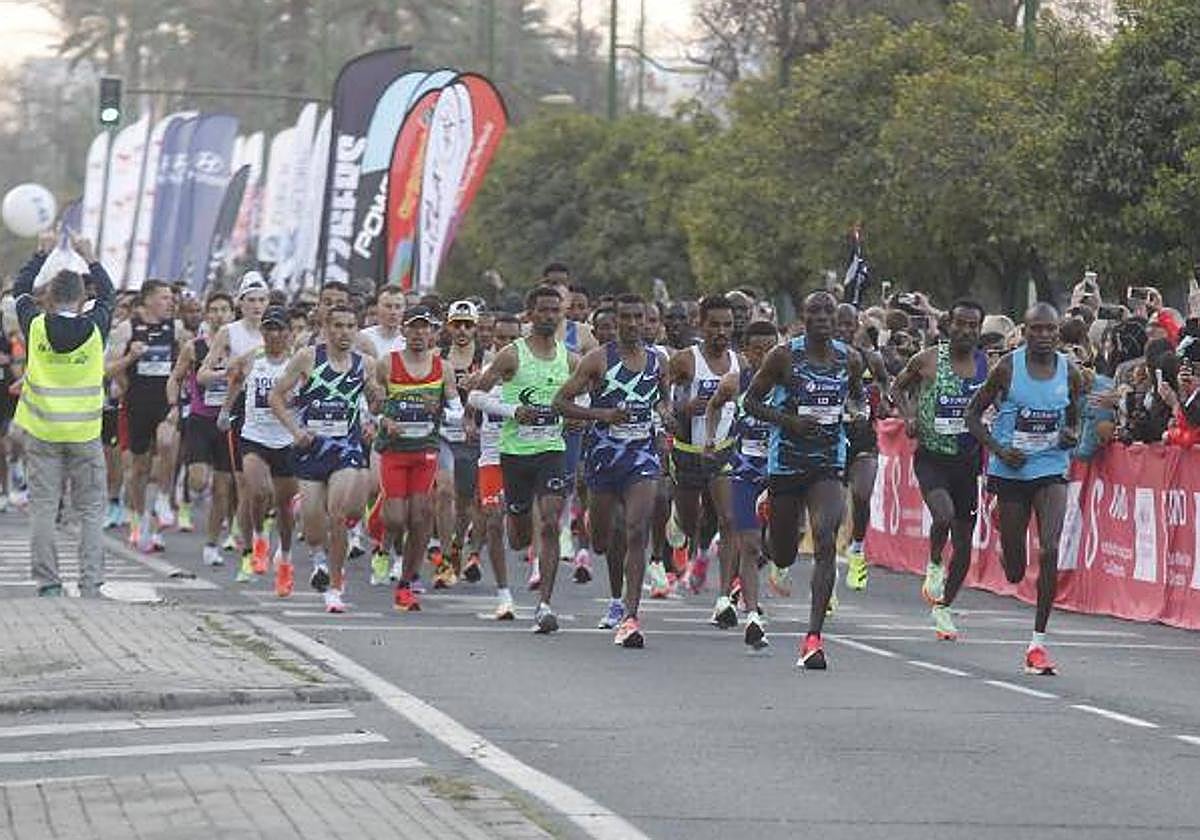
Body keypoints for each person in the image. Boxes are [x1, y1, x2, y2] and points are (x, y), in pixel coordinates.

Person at [744, 291, 864, 670]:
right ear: (803, 316)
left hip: (828, 463)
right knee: (783, 553)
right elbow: (751, 402)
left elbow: (858, 398)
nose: (824, 317)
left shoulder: (850, 358)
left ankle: (813, 638)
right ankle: (771, 524)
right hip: (787, 463)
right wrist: (790, 421)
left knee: (826, 537)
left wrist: (859, 412)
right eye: (816, 311)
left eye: (830, 311)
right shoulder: (784, 356)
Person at [966, 303, 1083, 675]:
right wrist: (1000, 450)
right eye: (1037, 329)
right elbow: (972, 415)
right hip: (1011, 471)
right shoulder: (1007, 368)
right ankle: (1005, 527)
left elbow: (1074, 421)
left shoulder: (1070, 371)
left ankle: (1038, 645)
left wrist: (1070, 436)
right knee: (1016, 571)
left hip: (1050, 469)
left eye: (1051, 329)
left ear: (1058, 334)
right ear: (1026, 332)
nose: (1045, 336)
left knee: (1049, 550)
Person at [554, 294, 673, 647]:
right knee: (606, 539)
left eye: (641, 317)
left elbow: (663, 398)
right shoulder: (597, 360)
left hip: (642, 457)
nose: (634, 324)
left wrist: (665, 412)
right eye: (627, 317)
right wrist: (601, 416)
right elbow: (560, 402)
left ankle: (630, 616)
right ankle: (616, 596)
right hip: (604, 459)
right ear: (616, 321)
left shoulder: (657, 361)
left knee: (636, 529)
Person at [470, 285, 576, 634]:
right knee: (517, 536)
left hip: (551, 451)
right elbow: (475, 396)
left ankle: (544, 605)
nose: (549, 316)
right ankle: (518, 528)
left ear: (562, 315)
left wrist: (577, 413)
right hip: (514, 454)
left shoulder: (569, 357)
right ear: (530, 315)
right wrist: (513, 410)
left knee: (548, 521)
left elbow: (584, 392)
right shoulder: (512, 355)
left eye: (555, 311)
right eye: (543, 310)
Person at [13, 232, 114, 597]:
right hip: (85, 434)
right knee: (89, 510)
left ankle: (49, 583)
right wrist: (91, 257)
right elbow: (109, 294)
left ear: (50, 298)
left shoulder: (35, 325)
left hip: (42, 432)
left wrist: (41, 252)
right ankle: (90, 583)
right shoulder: (97, 326)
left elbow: (20, 289)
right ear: (83, 297)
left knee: (42, 508)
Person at [891, 300, 989, 640]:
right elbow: (897, 387)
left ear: (980, 329)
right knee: (943, 516)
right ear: (949, 325)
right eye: (959, 323)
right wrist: (909, 416)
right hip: (932, 457)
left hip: (968, 461)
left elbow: (997, 402)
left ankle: (945, 607)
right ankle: (933, 563)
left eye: (972, 325)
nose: (965, 331)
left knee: (964, 544)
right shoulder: (928, 359)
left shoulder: (986, 365)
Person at [270, 304, 374, 612]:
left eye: (350, 326)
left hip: (347, 449)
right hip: (312, 449)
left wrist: (377, 415)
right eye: (338, 326)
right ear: (326, 329)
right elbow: (275, 396)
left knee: (339, 514)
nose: (344, 333)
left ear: (356, 330)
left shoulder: (365, 363)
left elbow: (378, 398)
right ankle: (319, 555)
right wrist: (294, 429)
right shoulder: (308, 357)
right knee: (315, 529)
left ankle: (335, 588)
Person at [373, 305, 463, 612]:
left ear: (434, 333)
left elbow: (457, 412)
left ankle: (407, 582)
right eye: (413, 327)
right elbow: (370, 405)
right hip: (395, 452)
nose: (419, 333)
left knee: (421, 515)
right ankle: (384, 545)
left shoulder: (443, 368)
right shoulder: (387, 364)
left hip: (426, 449)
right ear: (404, 332)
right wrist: (384, 420)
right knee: (397, 518)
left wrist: (439, 410)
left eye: (425, 328)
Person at [705, 320, 779, 649]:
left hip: (781, 470)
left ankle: (745, 592)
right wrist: (710, 438)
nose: (763, 357)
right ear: (745, 352)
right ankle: (752, 616)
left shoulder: (789, 383)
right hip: (746, 469)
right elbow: (713, 407)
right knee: (748, 542)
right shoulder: (735, 381)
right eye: (756, 351)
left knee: (780, 544)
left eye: (770, 350)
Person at [218, 305, 299, 588]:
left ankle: (286, 559)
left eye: (279, 329)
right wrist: (226, 410)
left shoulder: (298, 362)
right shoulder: (252, 358)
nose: (273, 334)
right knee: (257, 492)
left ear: (290, 333)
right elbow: (236, 380)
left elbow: (311, 394)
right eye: (268, 328)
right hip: (254, 435)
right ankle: (255, 545)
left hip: (286, 440)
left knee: (285, 507)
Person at [669, 296, 739, 597]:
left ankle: (725, 594)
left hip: (724, 450)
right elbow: (659, 398)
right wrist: (684, 406)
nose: (721, 331)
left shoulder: (739, 362)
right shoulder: (686, 359)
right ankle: (697, 549)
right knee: (690, 521)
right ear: (701, 324)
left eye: (727, 325)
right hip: (688, 452)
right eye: (714, 325)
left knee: (727, 518)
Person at [107, 279, 184, 553]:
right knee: (138, 469)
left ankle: (163, 498)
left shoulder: (176, 328)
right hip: (136, 403)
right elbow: (110, 368)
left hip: (165, 400)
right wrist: (130, 360)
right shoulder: (127, 328)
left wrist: (178, 394)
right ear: (148, 300)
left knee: (166, 443)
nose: (170, 302)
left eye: (170, 298)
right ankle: (139, 521)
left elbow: (185, 362)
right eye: (164, 298)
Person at [167, 292, 235, 567]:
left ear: (232, 314)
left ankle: (211, 544)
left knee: (222, 488)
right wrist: (173, 406)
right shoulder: (194, 347)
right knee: (198, 481)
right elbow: (175, 377)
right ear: (207, 315)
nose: (219, 315)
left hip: (228, 421)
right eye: (215, 310)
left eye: (224, 310)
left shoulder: (240, 347)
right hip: (200, 419)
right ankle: (190, 487)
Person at [835, 302, 890, 593]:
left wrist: (882, 401)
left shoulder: (870, 359)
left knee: (861, 493)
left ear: (856, 326)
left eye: (848, 325)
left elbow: (886, 385)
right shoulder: (817, 360)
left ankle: (857, 548)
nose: (843, 330)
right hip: (828, 440)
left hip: (862, 438)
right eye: (838, 324)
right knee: (829, 517)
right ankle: (827, 583)